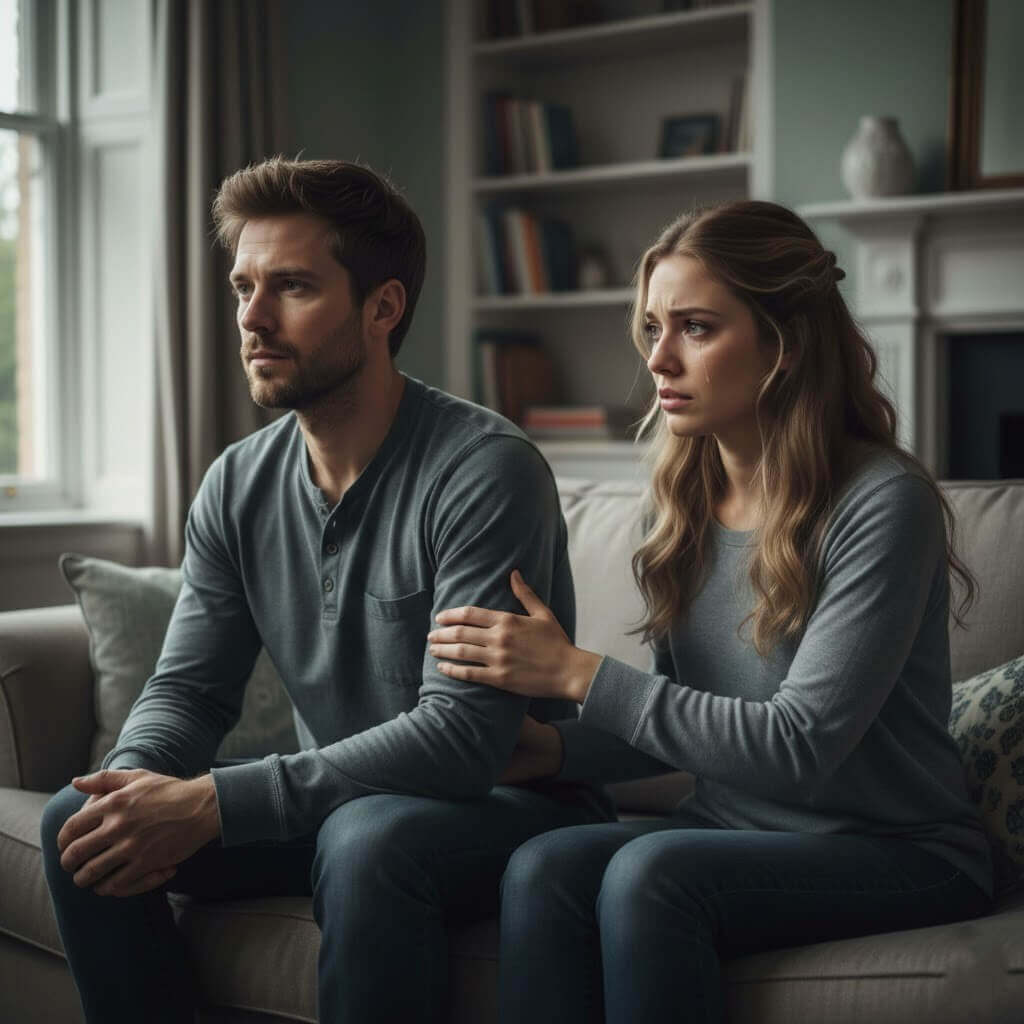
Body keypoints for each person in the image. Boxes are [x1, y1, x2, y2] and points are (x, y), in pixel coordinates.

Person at [40, 156, 610, 1024]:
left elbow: (461, 737)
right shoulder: (237, 482)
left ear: (383, 307)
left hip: (504, 809)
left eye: (293, 287)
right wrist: (131, 788)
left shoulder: (484, 472)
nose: (252, 321)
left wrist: (214, 801)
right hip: (339, 799)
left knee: (368, 838)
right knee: (76, 828)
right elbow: (190, 690)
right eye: (243, 288)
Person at [426, 200, 994, 1024]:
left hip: (897, 850)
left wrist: (577, 673)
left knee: (652, 874)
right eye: (653, 327)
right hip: (734, 829)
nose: (659, 358)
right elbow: (681, 716)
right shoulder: (683, 502)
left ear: (784, 344)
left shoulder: (881, 503)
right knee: (542, 865)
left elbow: (797, 748)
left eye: (695, 327)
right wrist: (548, 749)